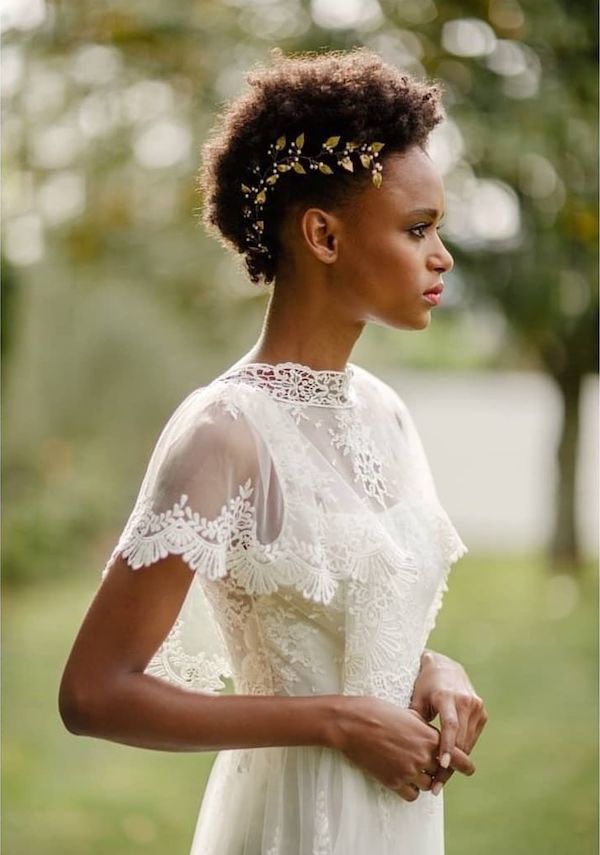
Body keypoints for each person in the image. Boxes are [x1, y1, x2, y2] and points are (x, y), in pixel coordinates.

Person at [59, 47, 488, 854]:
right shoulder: (224, 432)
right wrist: (333, 721)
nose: (442, 256)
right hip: (290, 822)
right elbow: (92, 692)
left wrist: (434, 667)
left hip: (396, 824)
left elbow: (352, 625)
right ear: (323, 234)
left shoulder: (386, 416)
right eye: (417, 228)